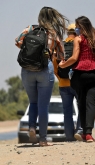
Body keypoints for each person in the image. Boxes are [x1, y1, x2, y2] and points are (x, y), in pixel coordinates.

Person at [15, 6, 69, 146]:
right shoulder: (53, 33)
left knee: (33, 102)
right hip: (45, 69)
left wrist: (30, 51)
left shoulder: (30, 29)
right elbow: (62, 55)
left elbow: (17, 41)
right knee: (43, 105)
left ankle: (32, 128)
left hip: (27, 69)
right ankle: (43, 139)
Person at [59, 16, 95, 142]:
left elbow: (74, 58)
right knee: (91, 104)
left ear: (82, 27)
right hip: (94, 74)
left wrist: (63, 65)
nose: (77, 29)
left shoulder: (78, 39)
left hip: (80, 75)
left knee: (82, 103)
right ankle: (88, 133)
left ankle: (84, 132)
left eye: (78, 27)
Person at [52, 23, 82, 141]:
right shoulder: (78, 45)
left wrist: (60, 79)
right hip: (77, 83)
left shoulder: (60, 46)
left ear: (67, 33)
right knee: (81, 108)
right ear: (77, 32)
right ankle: (80, 131)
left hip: (63, 84)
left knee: (67, 111)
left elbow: (55, 67)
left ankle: (69, 136)